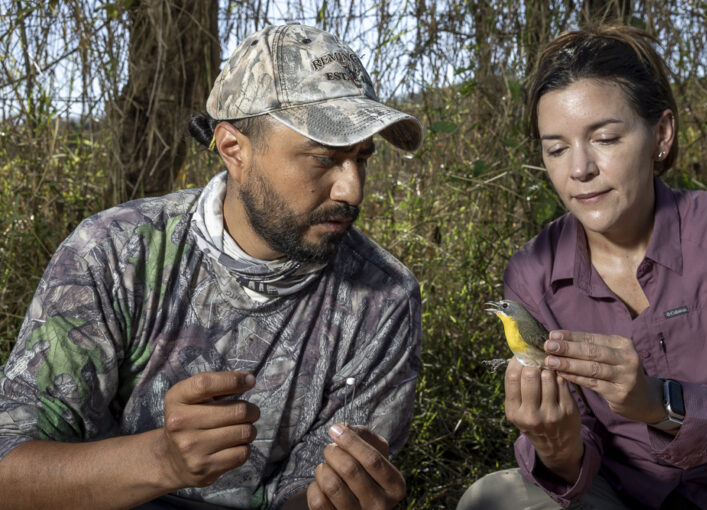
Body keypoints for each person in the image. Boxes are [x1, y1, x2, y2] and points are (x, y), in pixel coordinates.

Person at [0, 23, 423, 510]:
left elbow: (309, 493)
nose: (352, 190)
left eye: (362, 158)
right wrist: (160, 459)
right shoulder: (115, 252)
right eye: (324, 159)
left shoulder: (383, 299)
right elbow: (11, 470)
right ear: (233, 149)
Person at [458, 25, 707, 510]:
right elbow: (571, 452)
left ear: (662, 135)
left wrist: (660, 402)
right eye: (556, 148)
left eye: (605, 138)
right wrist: (557, 447)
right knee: (490, 500)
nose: (579, 169)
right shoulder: (532, 271)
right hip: (613, 490)